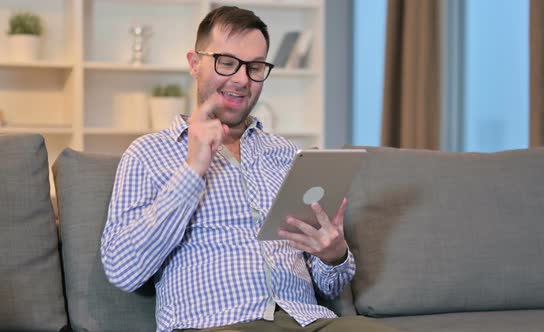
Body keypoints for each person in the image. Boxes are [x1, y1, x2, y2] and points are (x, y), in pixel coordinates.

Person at [101, 6, 398, 332]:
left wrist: (333, 255)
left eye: (255, 67)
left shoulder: (286, 155)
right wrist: (193, 170)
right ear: (194, 63)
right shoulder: (148, 154)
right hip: (216, 323)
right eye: (227, 63)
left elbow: (330, 286)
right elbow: (123, 270)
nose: (242, 79)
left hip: (307, 320)